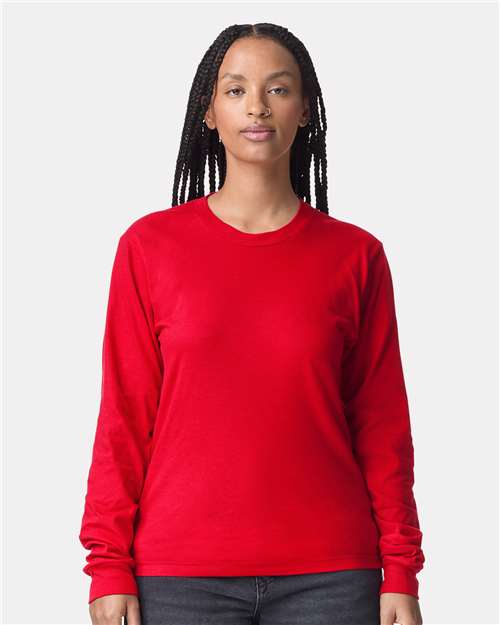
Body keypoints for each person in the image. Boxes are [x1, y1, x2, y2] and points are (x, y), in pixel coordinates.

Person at [79, 22, 425, 625]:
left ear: (305, 110)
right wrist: (108, 564)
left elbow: (382, 424)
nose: (257, 106)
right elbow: (124, 418)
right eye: (236, 90)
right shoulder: (149, 248)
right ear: (208, 112)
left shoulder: (356, 256)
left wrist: (400, 568)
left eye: (278, 89)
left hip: (331, 575)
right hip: (179, 577)